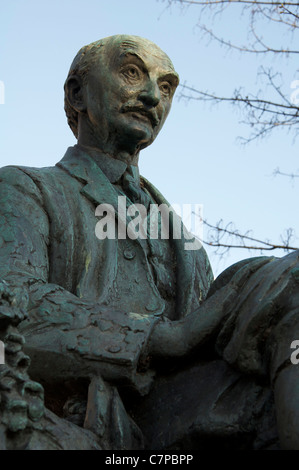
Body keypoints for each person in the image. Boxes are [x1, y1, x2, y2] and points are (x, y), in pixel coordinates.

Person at [0, 34, 299, 450]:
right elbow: (12, 311)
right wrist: (161, 338)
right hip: (97, 415)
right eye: (132, 72)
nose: (151, 97)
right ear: (77, 92)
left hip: (192, 408)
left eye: (165, 87)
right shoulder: (25, 189)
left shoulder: (186, 243)